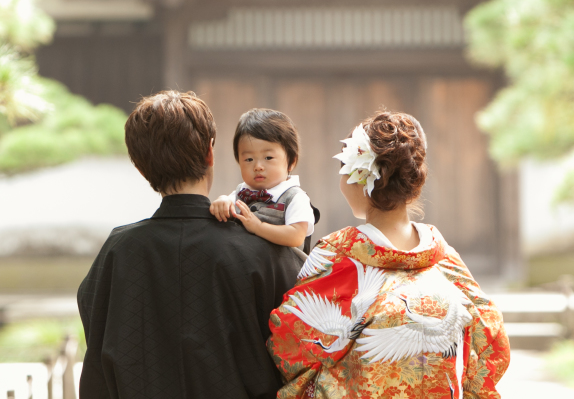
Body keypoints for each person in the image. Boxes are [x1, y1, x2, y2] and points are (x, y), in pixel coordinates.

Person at [78, 91, 305, 399]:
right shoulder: (268, 251)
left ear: (141, 169)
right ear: (210, 153)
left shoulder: (117, 253)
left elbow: (98, 356)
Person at [268, 111, 510, 399]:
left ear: (362, 177)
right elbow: (489, 339)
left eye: (345, 166)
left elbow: (290, 341)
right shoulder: (445, 258)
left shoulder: (339, 255)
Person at [209, 108, 318, 254]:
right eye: (249, 159)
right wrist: (222, 202)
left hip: (284, 273)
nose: (258, 167)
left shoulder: (295, 197)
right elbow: (225, 208)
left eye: (268, 158)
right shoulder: (240, 193)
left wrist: (258, 227)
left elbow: (296, 236)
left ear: (291, 161)